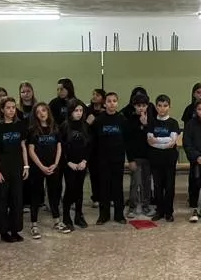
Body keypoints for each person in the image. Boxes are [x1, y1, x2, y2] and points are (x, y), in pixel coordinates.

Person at [0, 99, 29, 242]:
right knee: (2, 199)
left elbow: (23, 146)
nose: (11, 110)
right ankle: (3, 231)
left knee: (17, 199)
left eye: (13, 107)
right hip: (3, 165)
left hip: (17, 164)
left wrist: (26, 166)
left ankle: (15, 229)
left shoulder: (20, 125)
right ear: (2, 110)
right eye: (8, 108)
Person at [92, 92, 128, 224]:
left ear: (117, 103)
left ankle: (119, 215)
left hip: (117, 159)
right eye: (109, 101)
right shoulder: (99, 120)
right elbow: (94, 140)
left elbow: (126, 140)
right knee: (104, 187)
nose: (112, 103)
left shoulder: (122, 120)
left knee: (117, 187)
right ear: (105, 103)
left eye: (114, 101)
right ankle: (104, 215)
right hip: (103, 159)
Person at [27, 103, 62, 234]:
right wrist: (41, 166)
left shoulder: (55, 128)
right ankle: (34, 224)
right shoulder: (32, 130)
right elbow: (31, 150)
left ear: (48, 112)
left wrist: (56, 163)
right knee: (36, 195)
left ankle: (57, 221)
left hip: (53, 166)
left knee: (53, 194)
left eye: (44, 110)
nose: (42, 113)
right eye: (38, 112)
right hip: (38, 168)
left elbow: (59, 147)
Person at [147, 95, 182, 222]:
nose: (162, 109)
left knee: (169, 186)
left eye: (165, 106)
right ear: (156, 107)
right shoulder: (152, 122)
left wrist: (158, 141)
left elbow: (172, 142)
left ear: (169, 107)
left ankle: (169, 212)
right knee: (157, 186)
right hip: (155, 159)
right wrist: (164, 141)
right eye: (160, 106)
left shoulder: (173, 123)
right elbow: (150, 141)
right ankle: (159, 211)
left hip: (169, 158)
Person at [59, 103, 91, 231]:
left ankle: (79, 215)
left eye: (81, 110)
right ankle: (66, 216)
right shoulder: (64, 126)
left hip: (82, 163)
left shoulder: (85, 126)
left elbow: (89, 146)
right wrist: (68, 162)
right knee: (70, 189)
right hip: (69, 164)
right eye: (76, 110)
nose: (79, 113)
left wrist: (84, 161)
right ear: (70, 111)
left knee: (79, 189)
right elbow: (61, 146)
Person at [124, 92, 154, 220]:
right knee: (135, 183)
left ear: (147, 106)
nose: (141, 108)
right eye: (138, 105)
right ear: (134, 106)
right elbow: (128, 142)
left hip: (148, 157)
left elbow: (152, 138)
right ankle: (132, 206)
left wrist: (146, 125)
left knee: (147, 183)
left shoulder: (151, 120)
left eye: (143, 105)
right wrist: (130, 160)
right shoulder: (129, 121)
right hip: (135, 158)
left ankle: (146, 205)